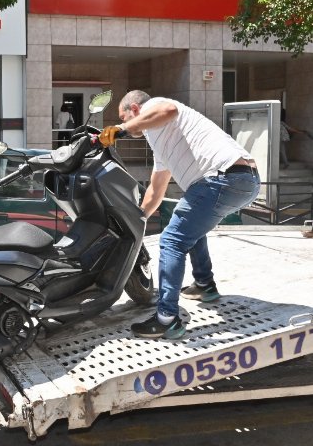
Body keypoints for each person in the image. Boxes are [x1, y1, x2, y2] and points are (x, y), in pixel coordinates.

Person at [100, 90, 260, 339]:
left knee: (171, 240)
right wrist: (139, 218)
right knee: (189, 228)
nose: (130, 126)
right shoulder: (160, 140)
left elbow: (167, 110)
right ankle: (205, 285)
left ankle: (167, 319)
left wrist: (120, 129)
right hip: (243, 180)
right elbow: (156, 189)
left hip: (221, 179)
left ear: (134, 109)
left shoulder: (158, 106)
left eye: (126, 118)